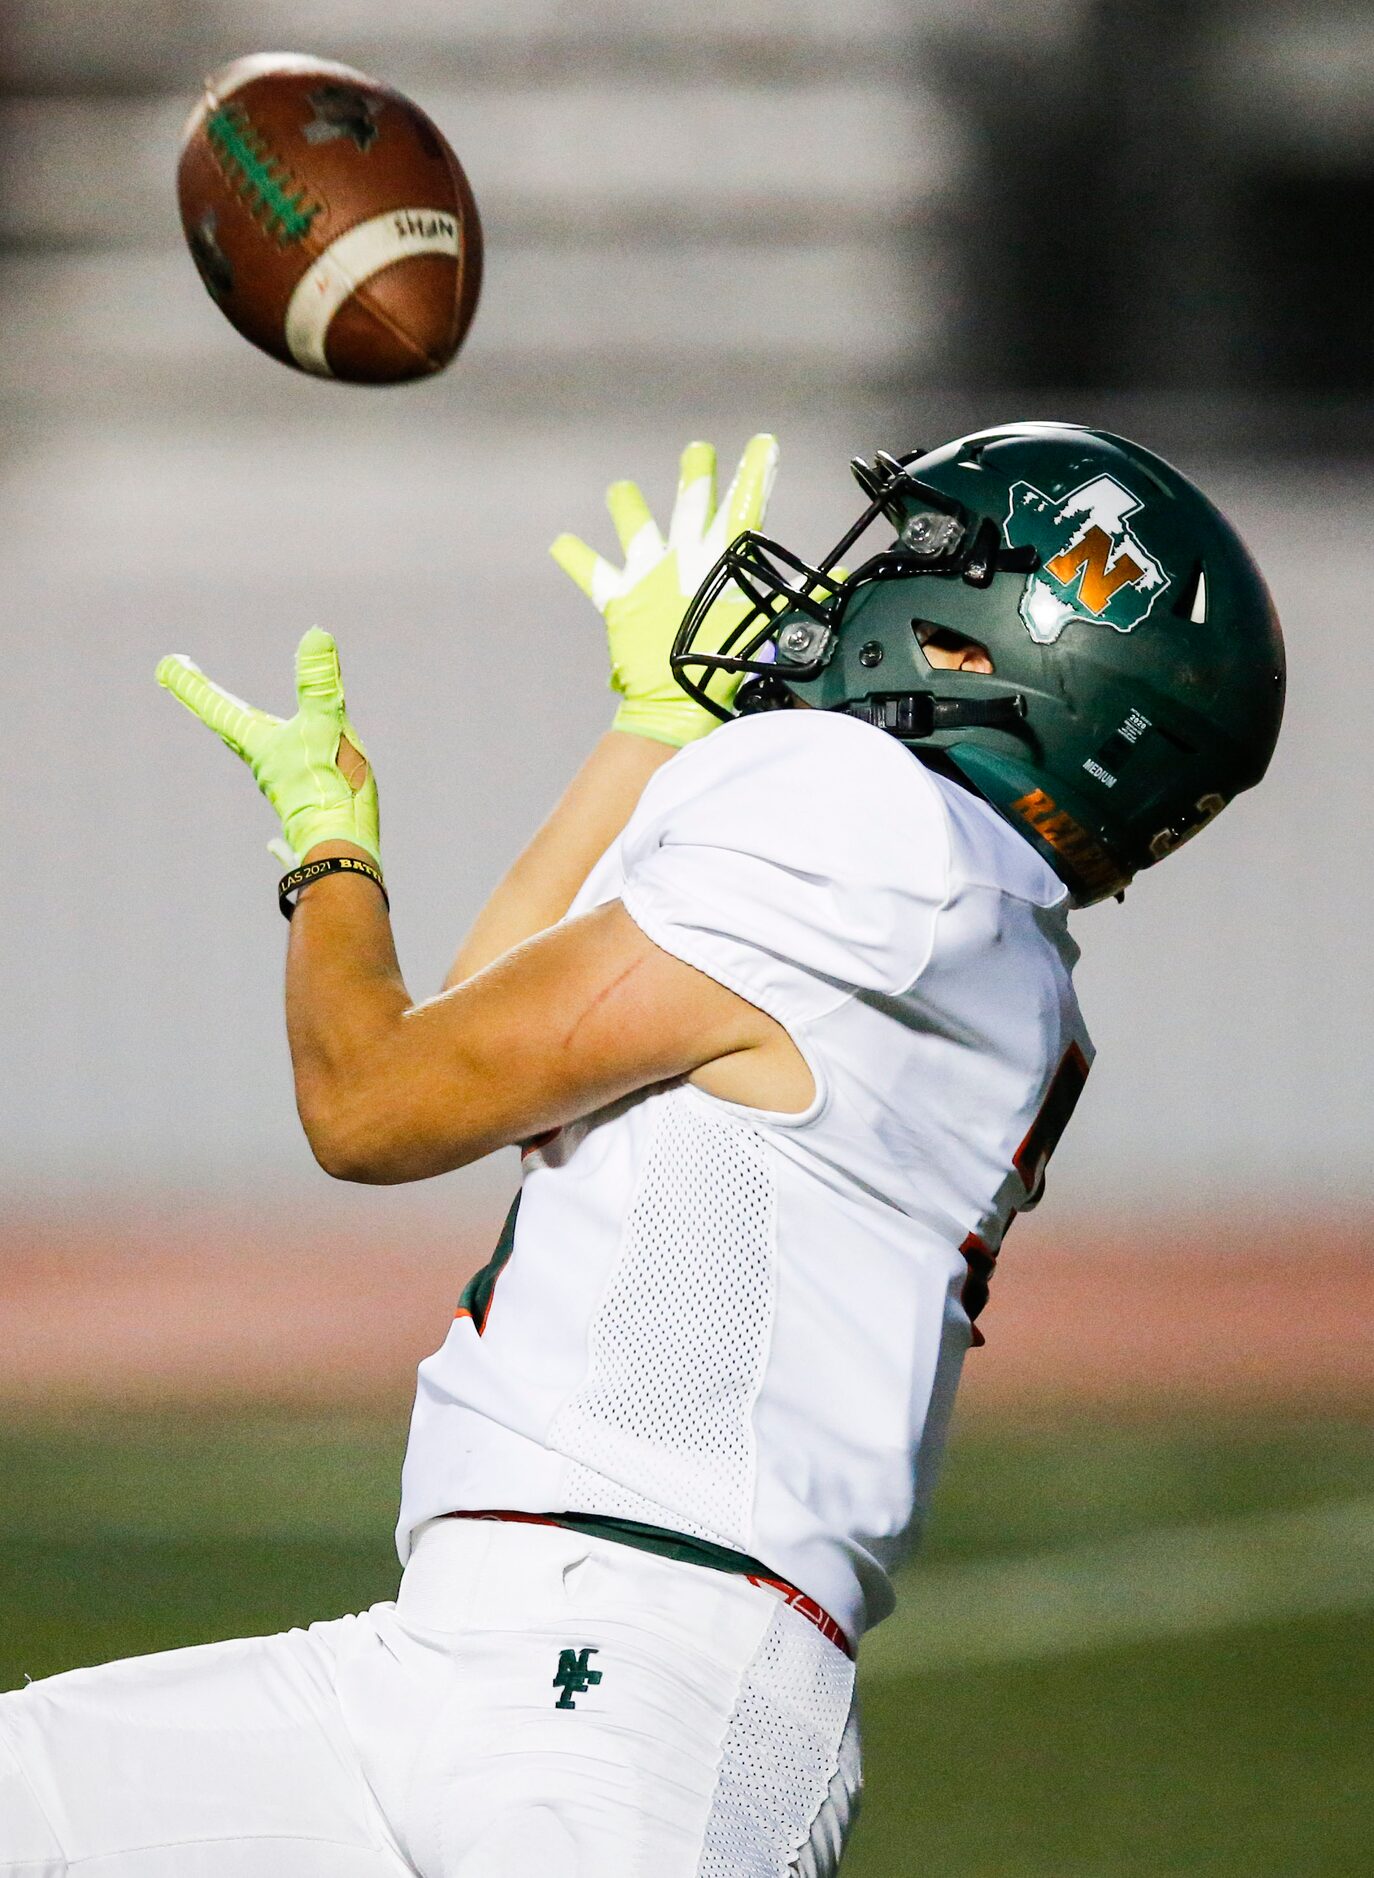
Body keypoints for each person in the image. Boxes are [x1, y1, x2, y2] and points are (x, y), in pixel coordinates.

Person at [0, 424, 1284, 1877]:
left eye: (923, 565)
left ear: (1006, 645)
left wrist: (328, 855)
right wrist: (647, 731)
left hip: (635, 1694)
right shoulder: (949, 903)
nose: (848, 592)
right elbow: (497, 1051)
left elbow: (376, 1099)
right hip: (457, 1656)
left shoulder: (879, 833)